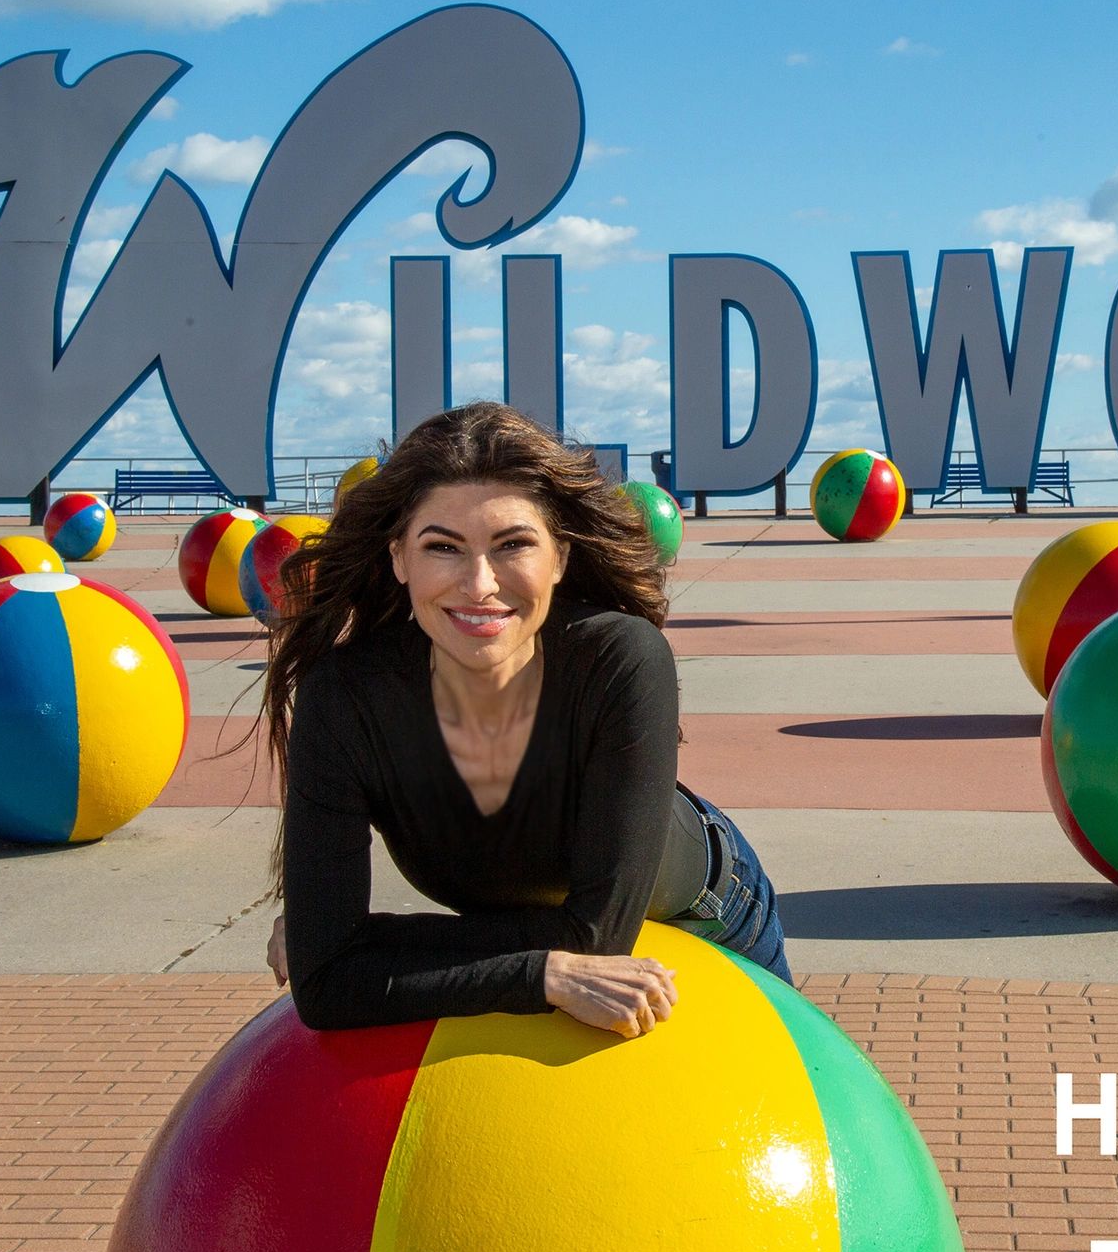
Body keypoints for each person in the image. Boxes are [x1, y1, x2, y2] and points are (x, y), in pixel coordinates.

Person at [260, 401, 790, 1038]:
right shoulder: (346, 699)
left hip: (710, 914)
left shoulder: (618, 657)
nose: (480, 583)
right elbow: (324, 990)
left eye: (513, 544)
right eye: (442, 547)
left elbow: (594, 937)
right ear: (399, 558)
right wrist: (538, 974)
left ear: (560, 557)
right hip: (554, 950)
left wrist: (367, 941)